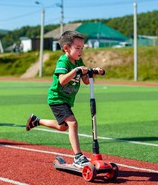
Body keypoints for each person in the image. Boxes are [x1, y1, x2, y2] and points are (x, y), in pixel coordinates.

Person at [26, 31, 104, 168]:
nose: (80, 51)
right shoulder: (63, 61)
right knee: (73, 123)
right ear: (66, 48)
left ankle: (36, 121)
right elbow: (62, 80)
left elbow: (85, 80)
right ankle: (78, 156)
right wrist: (76, 71)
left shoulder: (78, 61)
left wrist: (93, 72)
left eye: (82, 48)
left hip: (66, 100)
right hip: (57, 98)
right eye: (77, 48)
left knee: (63, 127)